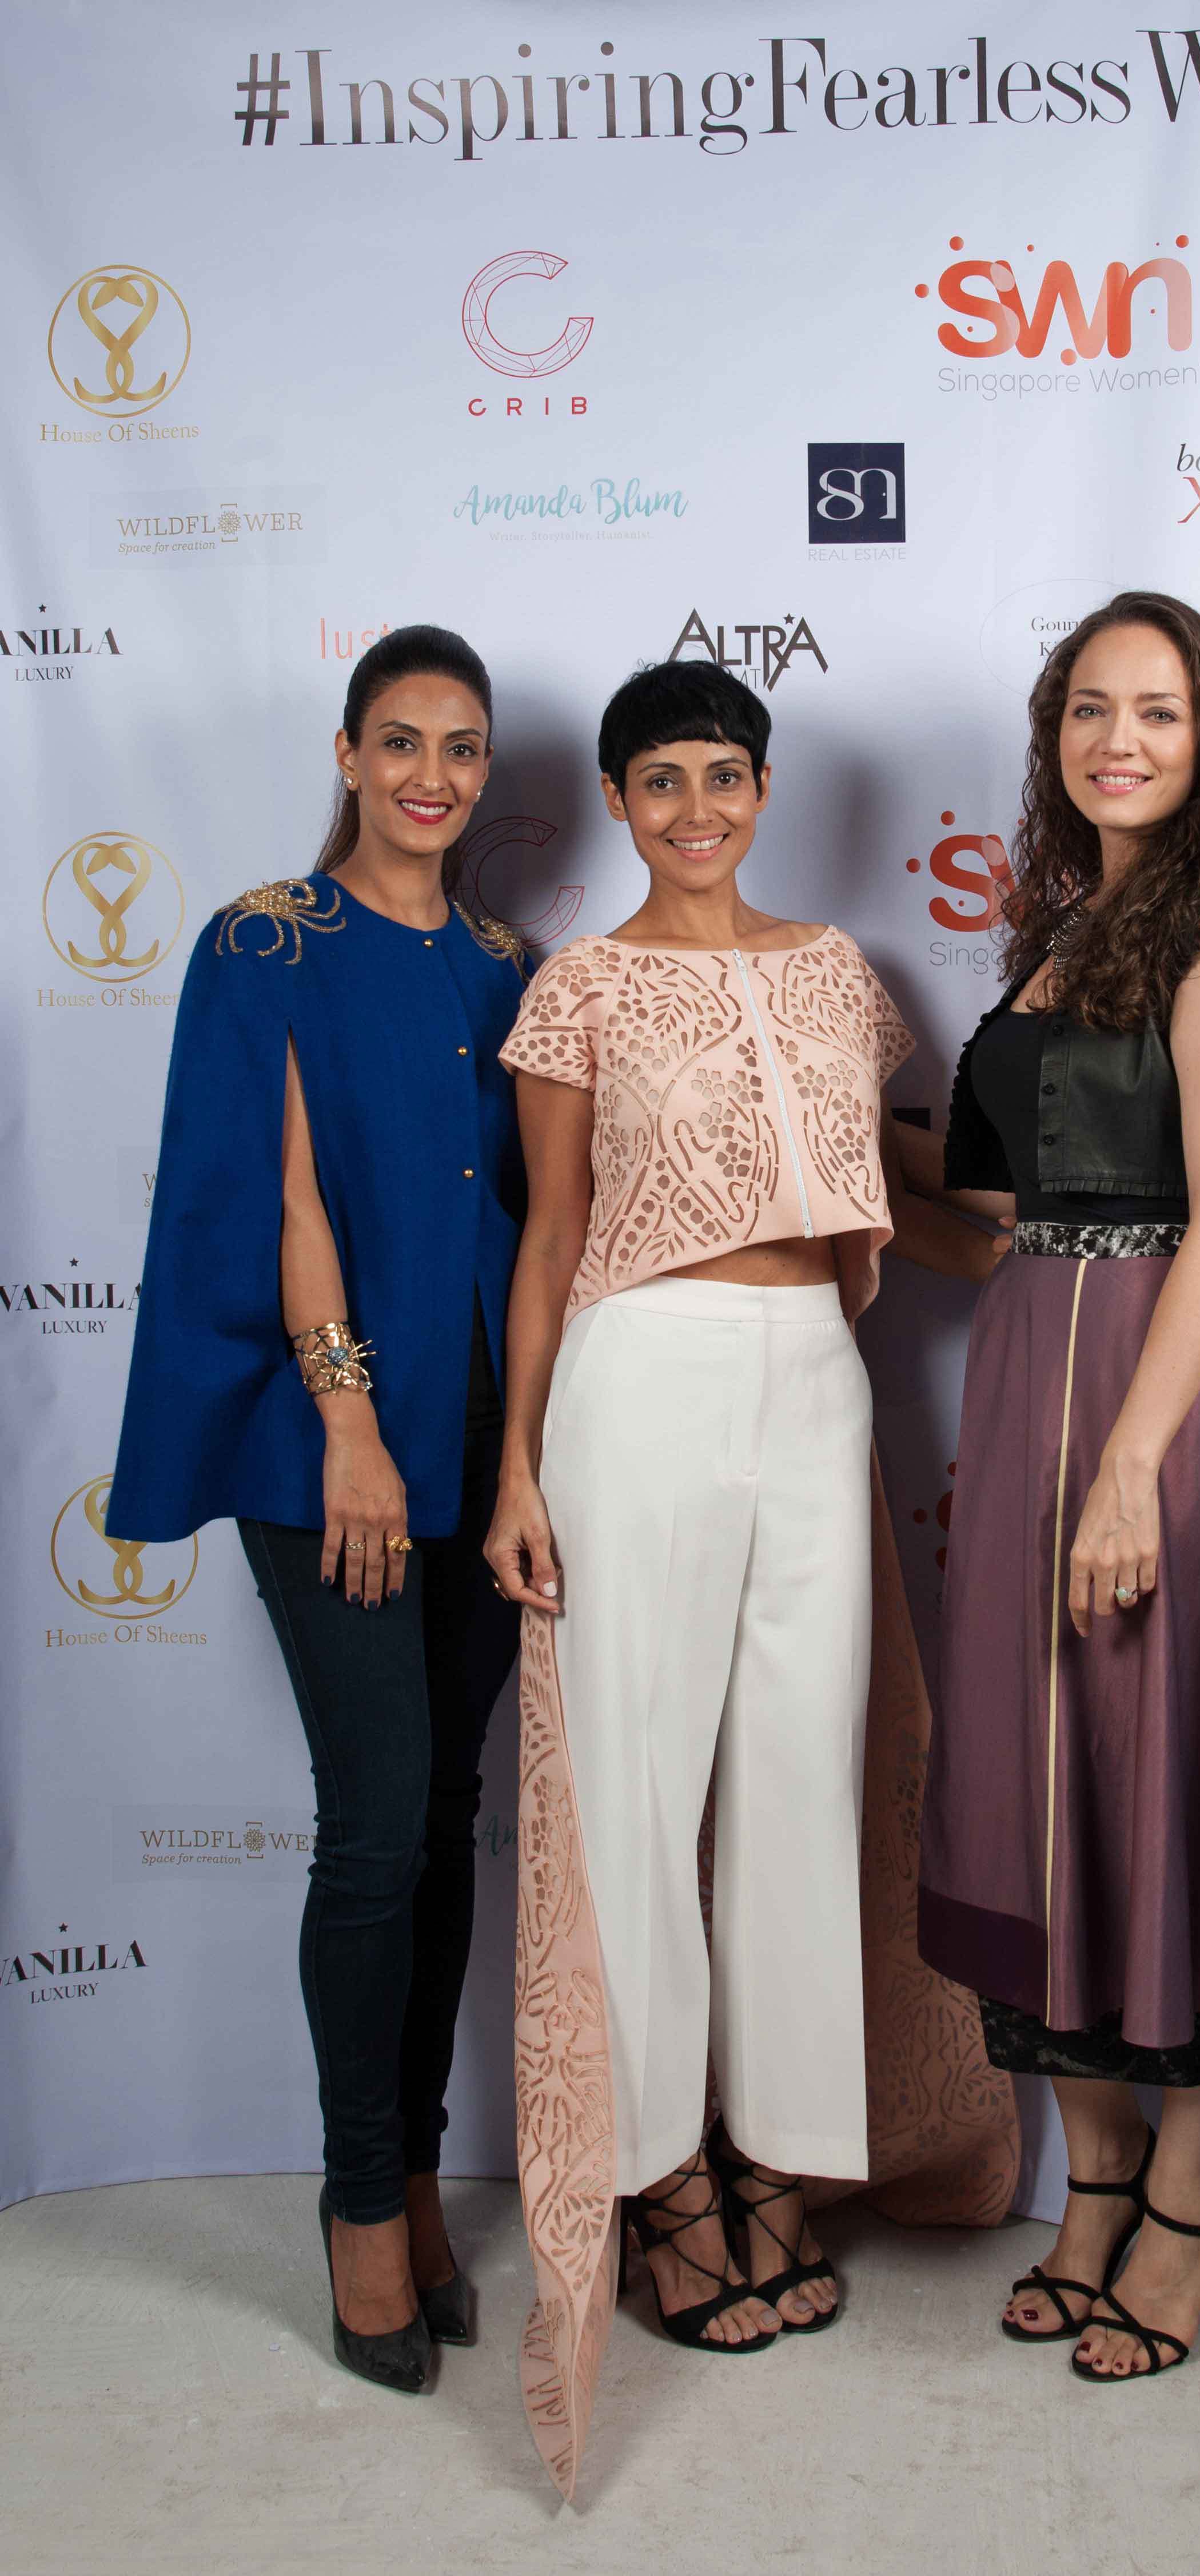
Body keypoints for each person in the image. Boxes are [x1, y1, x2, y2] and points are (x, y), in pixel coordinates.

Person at [484, 659, 1016, 2497]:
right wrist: (516, 1468)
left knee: (802, 1784)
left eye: (724, 775)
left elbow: (893, 1189)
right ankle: (655, 2182)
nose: (696, 809)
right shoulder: (580, 988)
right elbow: (551, 1237)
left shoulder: (839, 975)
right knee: (637, 1794)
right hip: (639, 1379)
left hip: (817, 1380)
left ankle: (783, 2154)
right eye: (661, 781)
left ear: (765, 790)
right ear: (619, 804)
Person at [913, 591, 1200, 2387]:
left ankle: (1190, 2190)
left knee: (1165, 1761)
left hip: (1158, 1408)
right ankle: (1092, 2177)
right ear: (1055, 737)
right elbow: (999, 1212)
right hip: (1030, 1368)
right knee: (1040, 1783)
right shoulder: (1053, 937)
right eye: (1091, 709)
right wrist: (800, 1144)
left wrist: (1128, 1469)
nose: (1119, 740)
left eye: (1159, 713)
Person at [107, 626, 526, 2395]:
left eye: (463, 747)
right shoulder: (264, 939)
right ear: (349, 753)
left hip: (485, 1443)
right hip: (330, 1448)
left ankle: (419, 2184)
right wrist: (349, 1416)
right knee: (369, 1827)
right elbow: (275, 1189)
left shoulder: (509, 966)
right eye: (402, 741)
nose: (433, 775)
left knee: (441, 1820)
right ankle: (359, 2210)